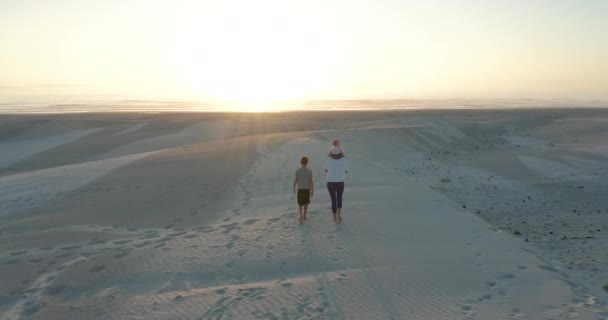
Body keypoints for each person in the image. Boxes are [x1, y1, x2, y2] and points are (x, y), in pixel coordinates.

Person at [325, 140, 349, 223]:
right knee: (339, 198)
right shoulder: (344, 159)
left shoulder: (328, 159)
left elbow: (326, 170)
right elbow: (346, 171)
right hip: (340, 181)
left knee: (333, 200)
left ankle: (334, 218)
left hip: (330, 182)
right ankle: (339, 216)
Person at [293, 156, 314, 224]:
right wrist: (312, 190)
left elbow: (296, 180)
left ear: (301, 162)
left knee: (300, 204)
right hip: (307, 189)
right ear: (307, 163)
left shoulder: (298, 171)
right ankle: (304, 216)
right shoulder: (309, 171)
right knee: (306, 203)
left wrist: (294, 187)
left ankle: (301, 216)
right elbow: (311, 181)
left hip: (300, 189)